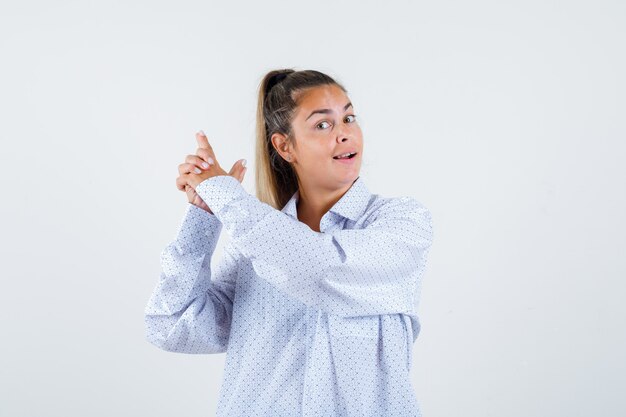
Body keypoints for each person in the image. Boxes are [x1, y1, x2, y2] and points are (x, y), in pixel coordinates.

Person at [144, 69, 434, 417]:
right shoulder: (252, 247)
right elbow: (171, 326)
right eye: (323, 125)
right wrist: (204, 215)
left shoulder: (401, 223)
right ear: (284, 146)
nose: (344, 134)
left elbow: (318, 268)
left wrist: (225, 196)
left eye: (349, 117)